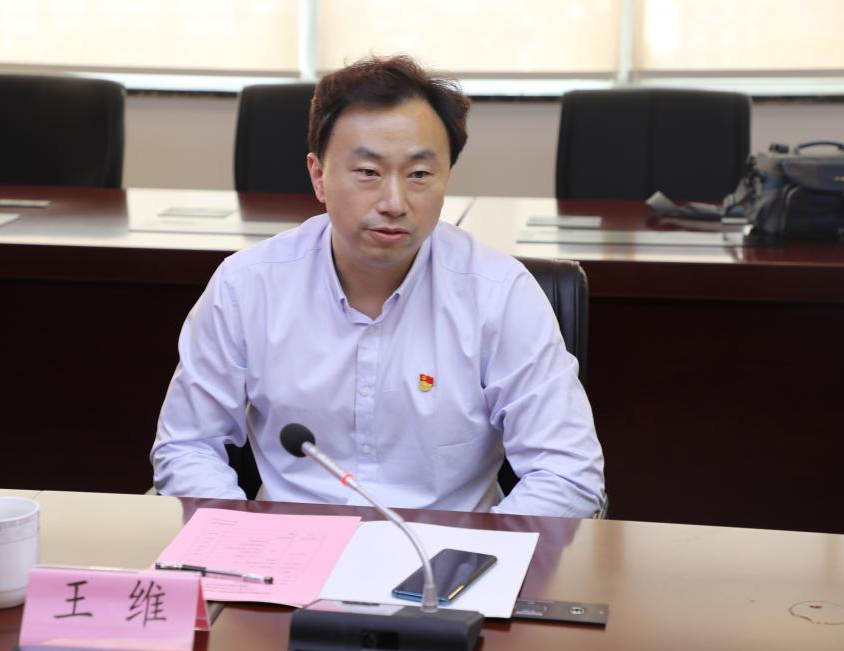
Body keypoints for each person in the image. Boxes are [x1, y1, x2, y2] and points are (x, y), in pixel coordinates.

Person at [151, 55, 604, 517]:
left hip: (451, 554)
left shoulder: (499, 294)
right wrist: (238, 541)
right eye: (368, 172)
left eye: (419, 174)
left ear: (447, 178)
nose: (394, 202)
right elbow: (187, 447)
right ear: (319, 176)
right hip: (289, 551)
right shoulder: (247, 286)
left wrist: (477, 552)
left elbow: (567, 473)